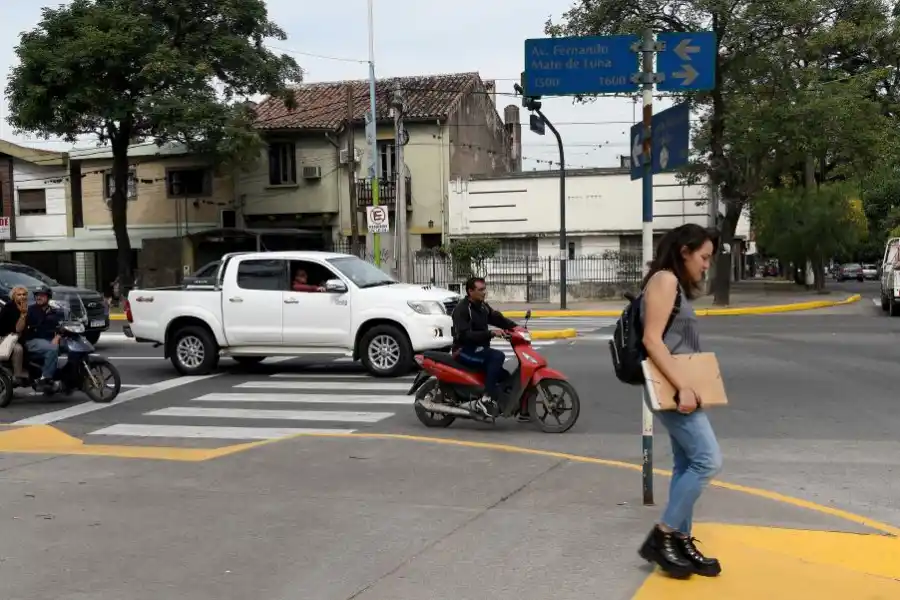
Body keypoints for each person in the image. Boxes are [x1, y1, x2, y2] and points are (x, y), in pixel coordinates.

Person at [637, 223, 723, 579]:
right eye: (703, 257)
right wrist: (683, 387)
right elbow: (652, 340)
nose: (706, 265)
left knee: (686, 463)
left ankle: (680, 541)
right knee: (707, 460)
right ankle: (663, 534)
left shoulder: (674, 284)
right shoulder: (664, 281)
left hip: (681, 385)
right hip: (670, 387)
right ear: (684, 251)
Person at [451, 276, 519, 417]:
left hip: (480, 350)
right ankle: (486, 398)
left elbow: (496, 318)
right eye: (480, 290)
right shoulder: (462, 309)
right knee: (497, 356)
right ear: (470, 291)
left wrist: (516, 328)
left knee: (506, 377)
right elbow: (465, 335)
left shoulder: (482, 306)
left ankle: (518, 408)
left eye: (484, 289)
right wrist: (490, 333)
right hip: (464, 351)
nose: (484, 292)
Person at [23, 285, 62, 390]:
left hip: (47, 340)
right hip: (32, 341)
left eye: (42, 295)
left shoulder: (54, 311)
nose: (38, 297)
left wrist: (58, 336)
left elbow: (62, 325)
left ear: (48, 297)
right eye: (37, 295)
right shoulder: (30, 311)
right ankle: (45, 378)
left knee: (68, 346)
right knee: (52, 348)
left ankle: (66, 377)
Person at [0, 286, 30, 383]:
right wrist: (23, 315)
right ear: (14, 296)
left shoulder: (27, 306)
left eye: (24, 294)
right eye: (19, 294)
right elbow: (18, 329)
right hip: (6, 337)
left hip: (19, 337)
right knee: (18, 349)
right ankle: (17, 376)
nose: (22, 297)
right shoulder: (9, 307)